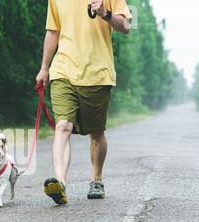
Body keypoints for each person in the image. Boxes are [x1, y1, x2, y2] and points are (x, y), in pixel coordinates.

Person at [36, 0, 133, 205]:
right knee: (63, 126)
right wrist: (44, 67)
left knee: (96, 133)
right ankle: (60, 183)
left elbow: (126, 27)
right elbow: (53, 31)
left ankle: (96, 179)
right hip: (63, 70)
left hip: (97, 73)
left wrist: (105, 14)